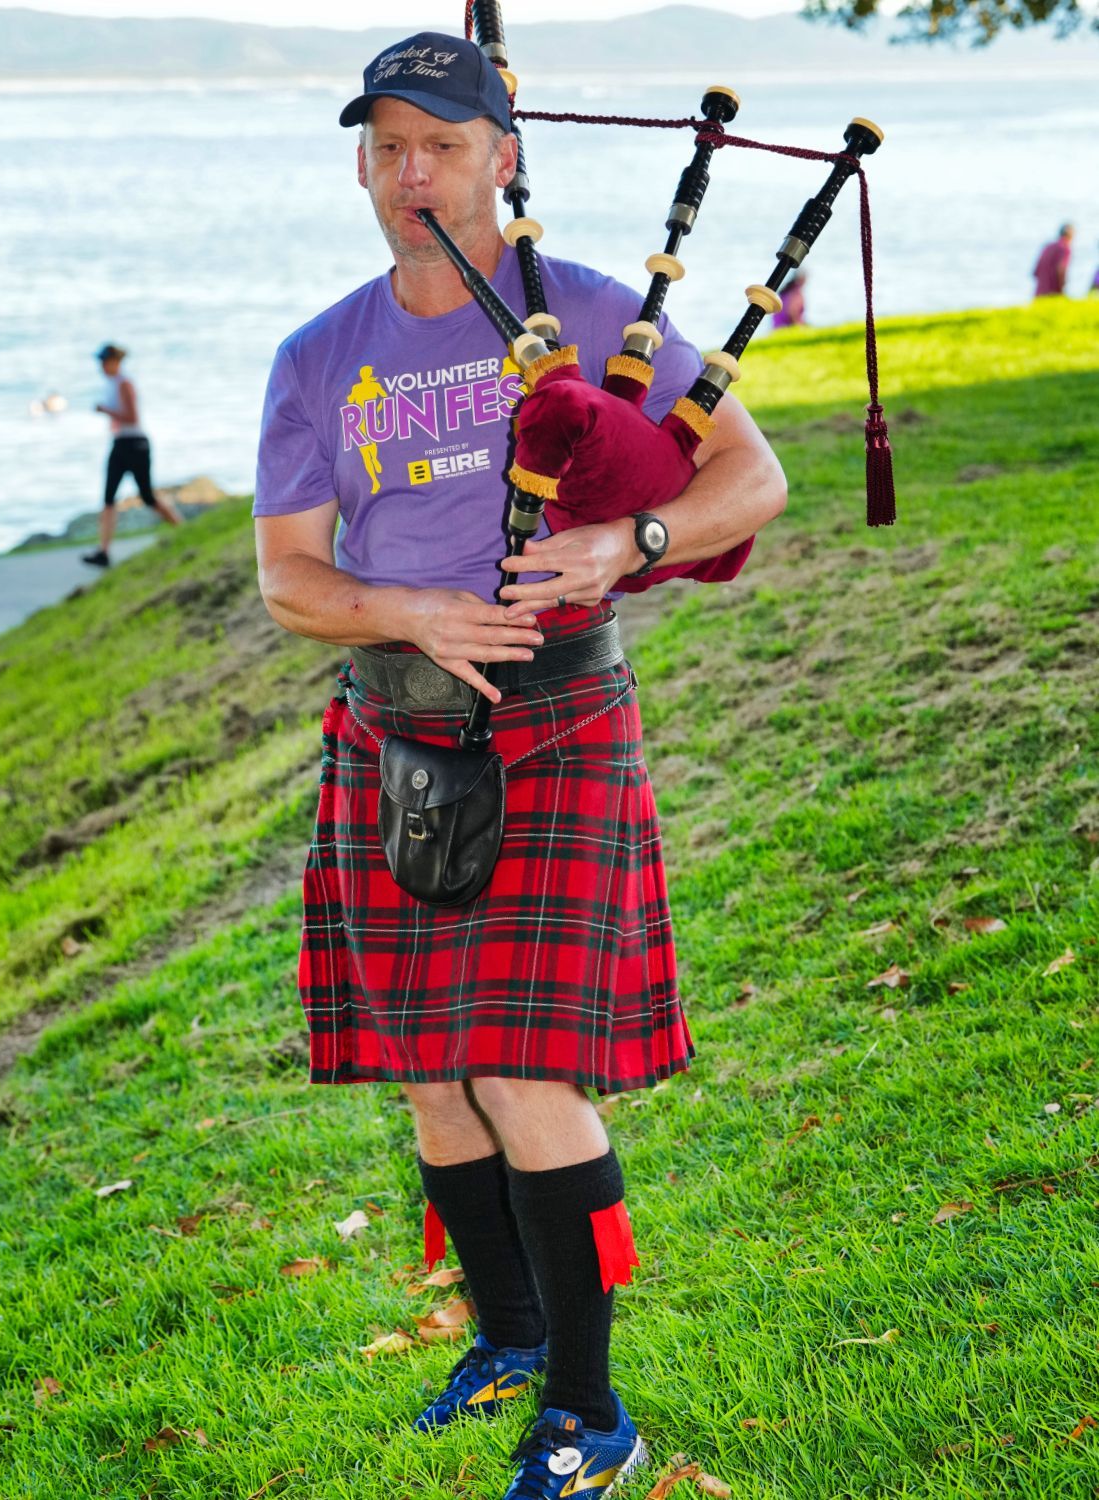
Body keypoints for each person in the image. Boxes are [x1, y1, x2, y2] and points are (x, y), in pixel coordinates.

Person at [252, 31, 786, 1499]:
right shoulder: (318, 356)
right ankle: (504, 1335)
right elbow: (289, 578)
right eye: (388, 146)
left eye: (444, 143)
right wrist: (407, 608)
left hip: (554, 717)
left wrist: (631, 539)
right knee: (432, 1076)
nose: (413, 173)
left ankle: (587, 1409)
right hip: (391, 727)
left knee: (521, 1069)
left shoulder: (596, 313)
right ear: (362, 164)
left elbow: (753, 476)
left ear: (504, 157)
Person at [82, 344, 180, 567]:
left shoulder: (125, 383)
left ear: (114, 361)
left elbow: (132, 417)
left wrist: (105, 411)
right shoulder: (111, 385)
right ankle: (103, 551)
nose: (102, 367)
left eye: (104, 362)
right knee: (108, 498)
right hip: (119, 443)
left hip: (134, 444)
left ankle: (182, 528)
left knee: (147, 496)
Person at [1032, 224, 1073, 298]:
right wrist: (1061, 292)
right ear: (1070, 237)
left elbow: (1035, 272)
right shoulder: (1064, 248)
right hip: (1053, 294)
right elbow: (1061, 270)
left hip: (1039, 294)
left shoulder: (1047, 247)